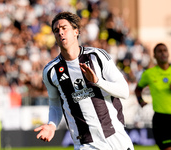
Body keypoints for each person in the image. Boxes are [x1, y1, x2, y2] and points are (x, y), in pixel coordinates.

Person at [34, 11, 134, 150]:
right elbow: (55, 103)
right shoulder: (51, 71)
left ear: (76, 31)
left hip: (115, 138)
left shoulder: (97, 56)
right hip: (86, 143)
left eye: (64, 28)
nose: (60, 33)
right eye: (56, 30)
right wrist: (52, 125)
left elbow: (124, 92)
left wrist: (97, 81)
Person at [135, 43, 171, 150]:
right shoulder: (149, 74)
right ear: (154, 55)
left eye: (165, 50)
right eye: (159, 51)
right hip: (161, 119)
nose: (163, 53)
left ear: (168, 53)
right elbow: (138, 89)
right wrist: (140, 101)